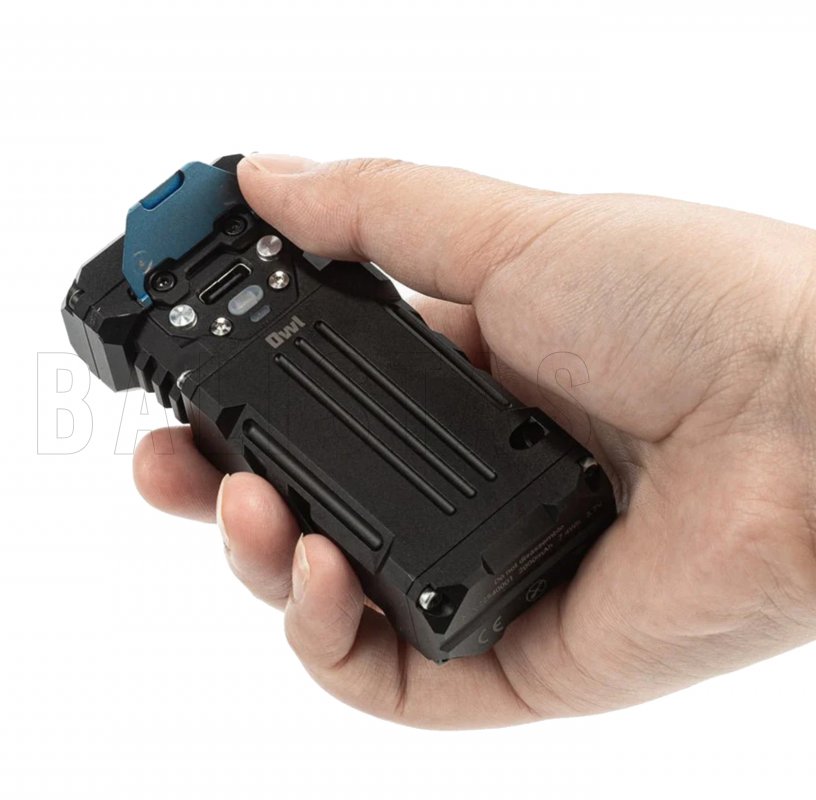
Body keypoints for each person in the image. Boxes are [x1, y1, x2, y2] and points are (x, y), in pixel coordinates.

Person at [132, 154, 816, 729]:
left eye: (239, 235)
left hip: (475, 567)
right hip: (563, 502)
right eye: (168, 287)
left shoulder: (264, 214)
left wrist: (783, 367)